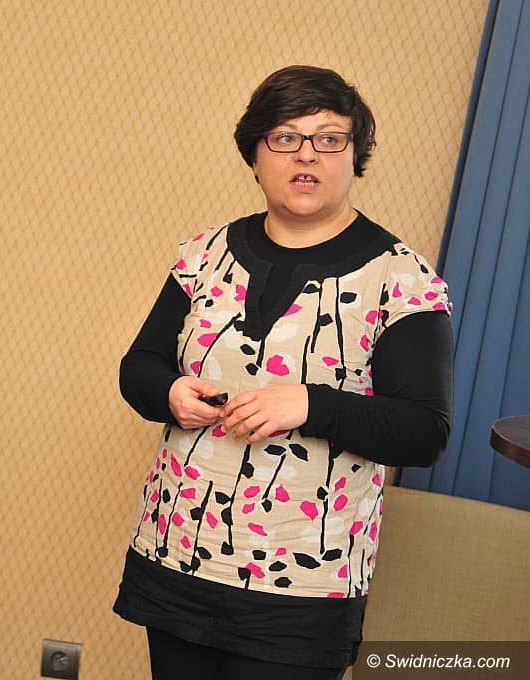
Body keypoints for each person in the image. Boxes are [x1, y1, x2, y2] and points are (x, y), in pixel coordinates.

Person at [112, 65, 452, 680]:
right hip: (178, 554)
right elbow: (139, 367)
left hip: (303, 587)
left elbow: (424, 432)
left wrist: (312, 405)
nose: (307, 155)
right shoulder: (204, 253)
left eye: (329, 139)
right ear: (255, 155)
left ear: (355, 156)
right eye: (285, 137)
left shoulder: (401, 278)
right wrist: (170, 392)